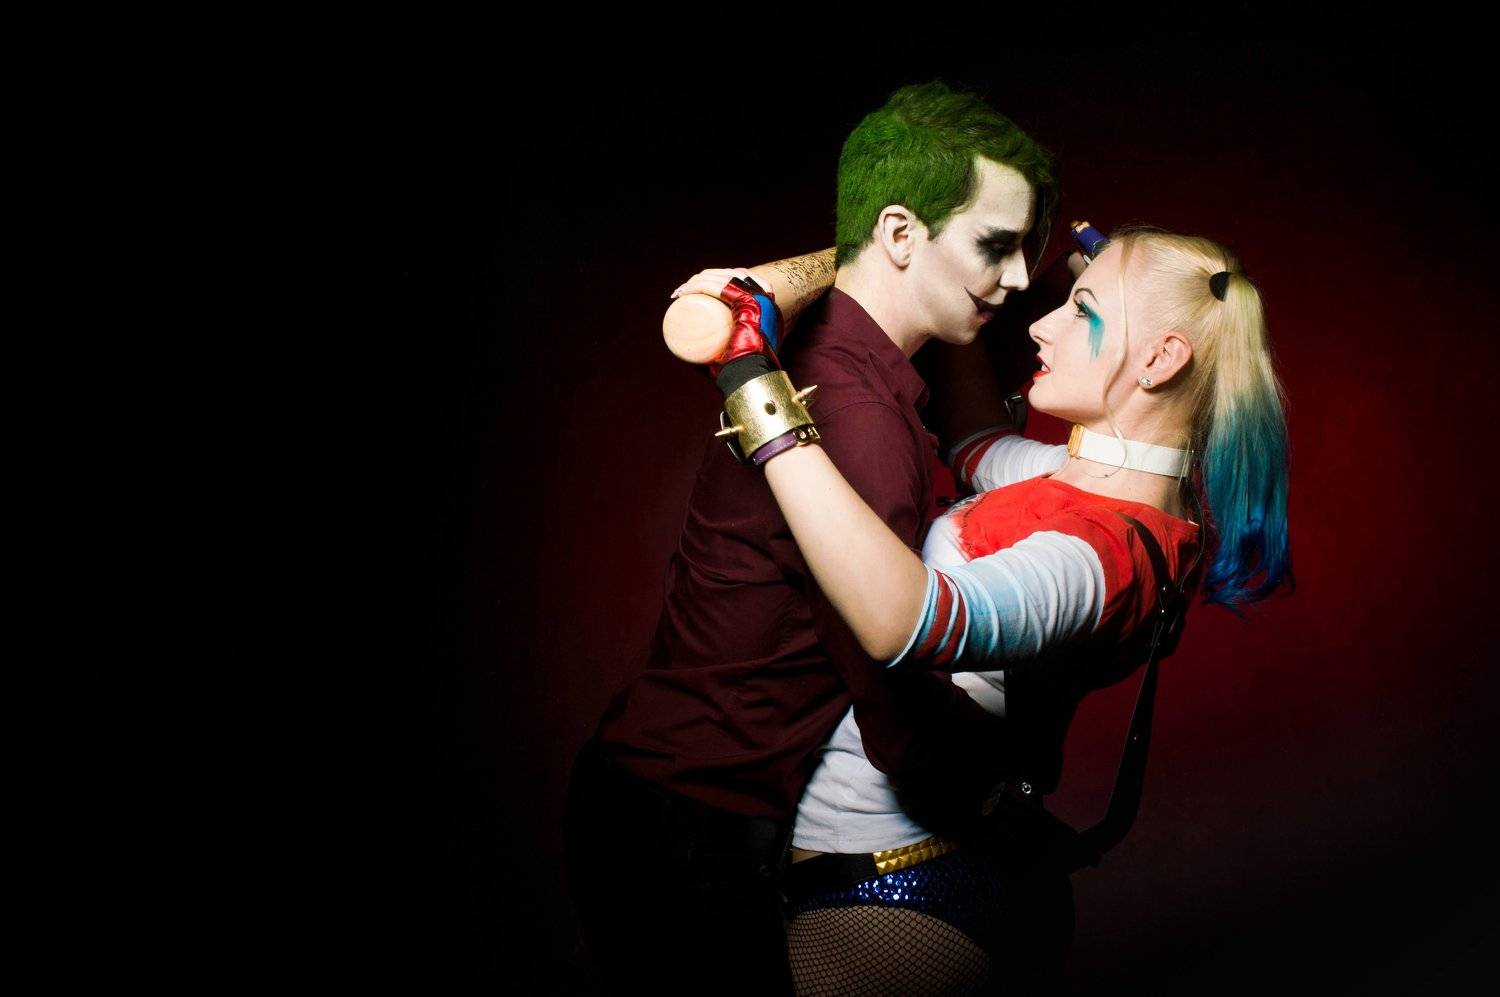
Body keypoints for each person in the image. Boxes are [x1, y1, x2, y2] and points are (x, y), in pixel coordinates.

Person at [676, 226, 1291, 993]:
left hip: (895, 903)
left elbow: (904, 621)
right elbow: (974, 443)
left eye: (1082, 311)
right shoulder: (1113, 490)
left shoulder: (1100, 556)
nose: (1042, 325)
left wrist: (752, 384)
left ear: (1161, 360)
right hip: (945, 871)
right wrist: (975, 269)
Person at [562, 81, 1058, 995]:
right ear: (899, 233)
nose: (1022, 277)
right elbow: (893, 703)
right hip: (687, 828)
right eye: (996, 245)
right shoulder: (860, 413)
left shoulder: (848, 355)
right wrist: (1009, 783)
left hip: (666, 804)